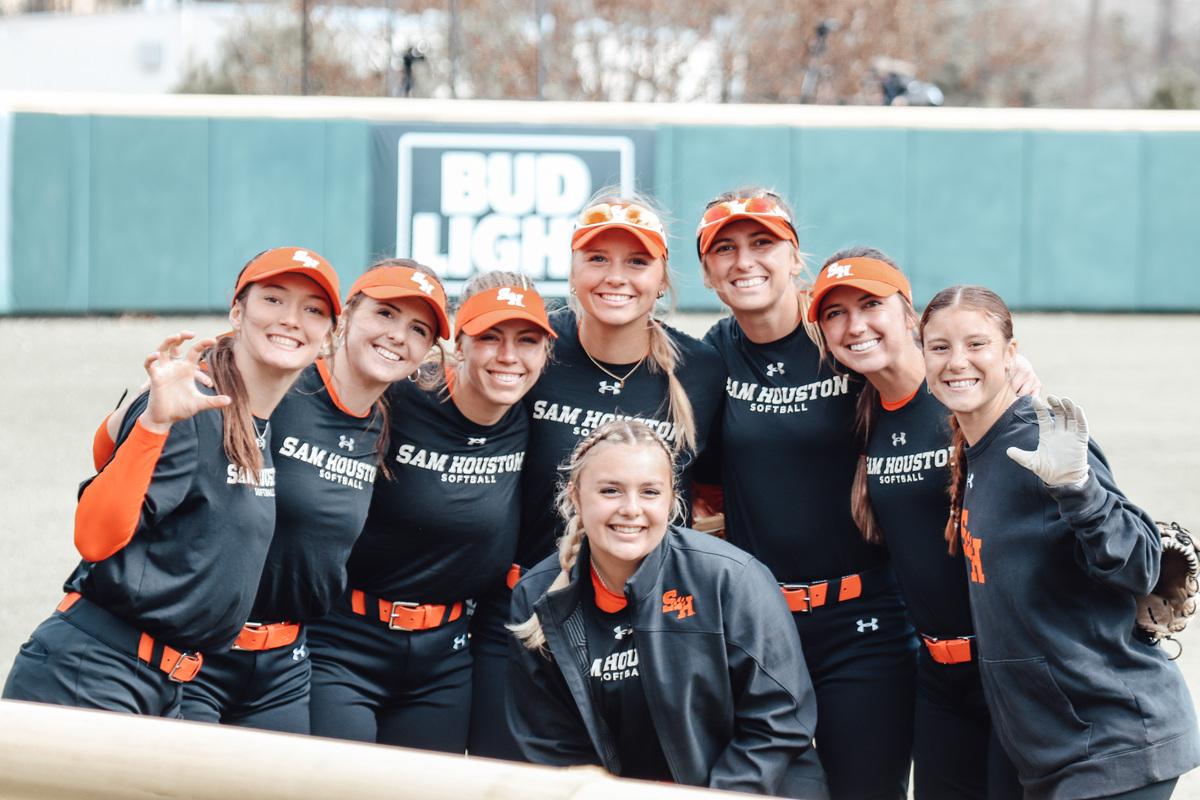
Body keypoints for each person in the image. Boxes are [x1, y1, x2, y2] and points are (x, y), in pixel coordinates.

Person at [2, 247, 339, 716]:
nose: (291, 319)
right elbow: (94, 538)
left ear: (327, 337)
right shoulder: (189, 405)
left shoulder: (256, 421)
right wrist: (154, 423)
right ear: (237, 311)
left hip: (164, 684)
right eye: (274, 300)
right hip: (93, 673)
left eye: (313, 310)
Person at [919, 285, 1200, 800]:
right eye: (939, 347)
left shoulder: (1040, 440)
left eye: (976, 344)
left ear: (1010, 353)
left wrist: (1081, 488)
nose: (957, 361)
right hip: (1049, 745)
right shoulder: (977, 448)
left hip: (1111, 741)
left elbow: (1142, 564)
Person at [696, 190, 917, 799]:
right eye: (726, 249)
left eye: (763, 243)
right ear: (708, 272)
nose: (745, 261)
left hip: (862, 623)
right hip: (755, 626)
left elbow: (943, 379)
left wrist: (1016, 371)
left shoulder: (849, 337)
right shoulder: (710, 358)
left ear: (795, 258)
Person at [176, 260, 450, 732]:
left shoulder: (382, 421)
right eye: (385, 314)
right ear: (344, 318)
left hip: (283, 662)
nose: (398, 335)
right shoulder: (284, 382)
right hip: (202, 652)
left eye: (418, 329)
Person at [508, 419, 821, 798]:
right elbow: (551, 744)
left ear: (672, 499)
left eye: (650, 492)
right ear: (575, 496)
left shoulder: (730, 579)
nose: (631, 509)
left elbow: (778, 722)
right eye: (610, 490)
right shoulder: (538, 596)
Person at [308, 271, 555, 752]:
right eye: (489, 338)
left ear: (545, 353)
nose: (508, 357)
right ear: (457, 343)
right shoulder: (399, 396)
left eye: (527, 341)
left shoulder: (532, 412)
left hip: (445, 658)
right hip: (344, 641)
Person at [810, 248, 1022, 799]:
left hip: (1009, 667)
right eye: (835, 313)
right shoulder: (864, 408)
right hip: (936, 675)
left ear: (910, 315)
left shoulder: (970, 395)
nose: (855, 325)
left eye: (871, 304)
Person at [516, 192, 725, 572]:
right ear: (573, 272)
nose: (615, 277)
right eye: (597, 259)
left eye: (636, 262)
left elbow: (717, 493)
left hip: (652, 606)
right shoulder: (534, 351)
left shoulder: (702, 370)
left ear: (660, 278)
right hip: (533, 600)